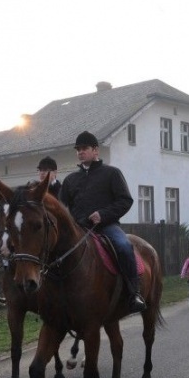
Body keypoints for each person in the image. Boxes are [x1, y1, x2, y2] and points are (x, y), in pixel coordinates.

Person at [60, 130, 145, 313]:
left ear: (95, 150)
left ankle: (133, 293)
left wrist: (103, 214)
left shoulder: (112, 173)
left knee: (124, 246)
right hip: (79, 229)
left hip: (106, 226)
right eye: (78, 149)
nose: (80, 152)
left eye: (84, 148)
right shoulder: (70, 180)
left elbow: (125, 201)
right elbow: (61, 208)